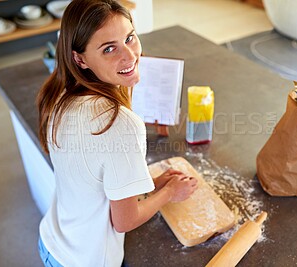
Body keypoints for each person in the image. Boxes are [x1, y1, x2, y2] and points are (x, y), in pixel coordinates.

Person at [36, 0, 198, 266]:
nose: (130, 55)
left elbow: (95, 177)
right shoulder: (117, 124)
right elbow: (124, 220)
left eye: (129, 38)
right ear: (80, 58)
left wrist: (150, 184)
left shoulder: (60, 94)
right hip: (85, 259)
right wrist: (170, 194)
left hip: (53, 239)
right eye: (109, 48)